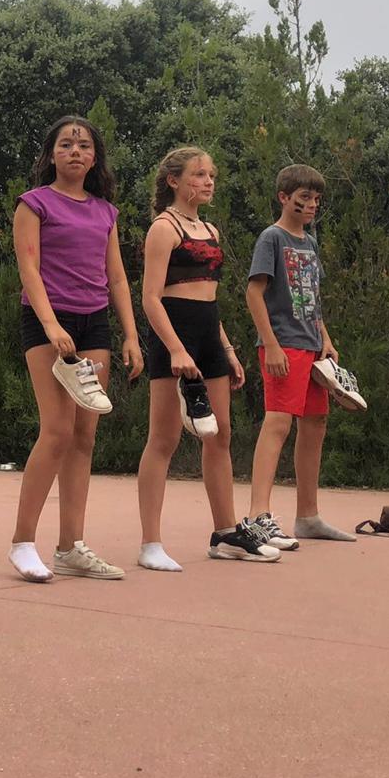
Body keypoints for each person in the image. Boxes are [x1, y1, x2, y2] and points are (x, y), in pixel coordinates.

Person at [8, 115, 141, 582]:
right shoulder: (34, 204)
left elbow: (117, 277)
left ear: (95, 156)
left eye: (84, 145)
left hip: (94, 323)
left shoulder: (105, 212)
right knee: (57, 431)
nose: (75, 152)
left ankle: (70, 546)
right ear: (51, 154)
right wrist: (50, 324)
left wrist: (131, 334)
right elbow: (29, 267)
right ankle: (23, 542)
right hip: (48, 321)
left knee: (85, 435)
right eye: (66, 144)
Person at [135, 146, 278, 570]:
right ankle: (150, 543)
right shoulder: (164, 228)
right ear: (174, 181)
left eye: (211, 174)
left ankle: (225, 534)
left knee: (220, 434)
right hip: (172, 333)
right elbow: (150, 298)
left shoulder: (211, 230)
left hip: (208, 333)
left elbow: (208, 298)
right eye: (198, 174)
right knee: (164, 438)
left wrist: (227, 349)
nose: (208, 181)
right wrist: (176, 348)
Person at [244, 164, 357, 546]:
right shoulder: (271, 238)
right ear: (283, 197)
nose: (312, 205)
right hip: (284, 345)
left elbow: (312, 298)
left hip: (312, 347)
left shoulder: (309, 243)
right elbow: (254, 293)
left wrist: (326, 339)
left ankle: (308, 516)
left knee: (316, 423)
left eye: (316, 199)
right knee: (278, 423)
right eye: (304, 198)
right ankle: (258, 516)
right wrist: (271, 344)